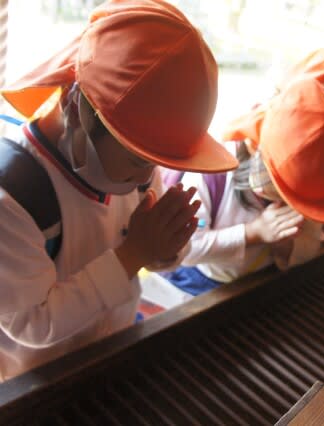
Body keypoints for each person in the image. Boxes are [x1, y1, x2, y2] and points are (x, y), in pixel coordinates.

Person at [0, 0, 237, 381]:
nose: (149, 175)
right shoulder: (15, 197)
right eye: (140, 159)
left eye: (157, 160)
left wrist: (165, 248)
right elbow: (33, 323)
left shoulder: (130, 167)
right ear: (78, 111)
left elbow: (148, 251)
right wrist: (134, 254)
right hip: (38, 382)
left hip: (111, 349)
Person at [140, 78, 324, 306]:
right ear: (255, 146)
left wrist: (286, 248)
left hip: (256, 284)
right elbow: (186, 248)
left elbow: (309, 243)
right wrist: (253, 233)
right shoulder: (211, 174)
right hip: (197, 285)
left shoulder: (312, 185)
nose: (288, 202)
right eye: (281, 188)